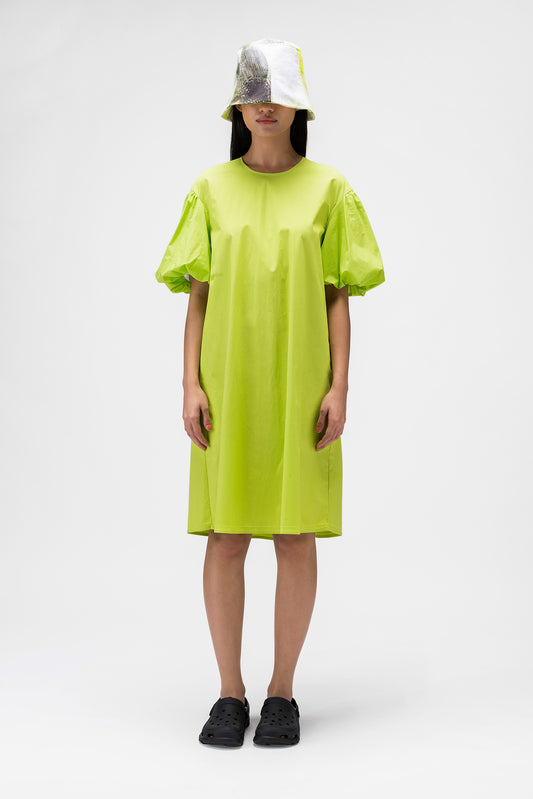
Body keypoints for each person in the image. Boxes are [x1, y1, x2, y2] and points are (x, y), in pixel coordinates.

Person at [155, 38, 385, 747]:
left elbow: (338, 294)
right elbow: (197, 294)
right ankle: (230, 692)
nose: (264, 107)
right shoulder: (210, 188)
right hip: (227, 385)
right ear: (236, 106)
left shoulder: (329, 189)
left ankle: (281, 691)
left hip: (300, 385)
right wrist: (190, 382)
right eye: (253, 95)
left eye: (277, 95)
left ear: (298, 106)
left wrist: (339, 386)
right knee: (226, 535)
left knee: (293, 533)